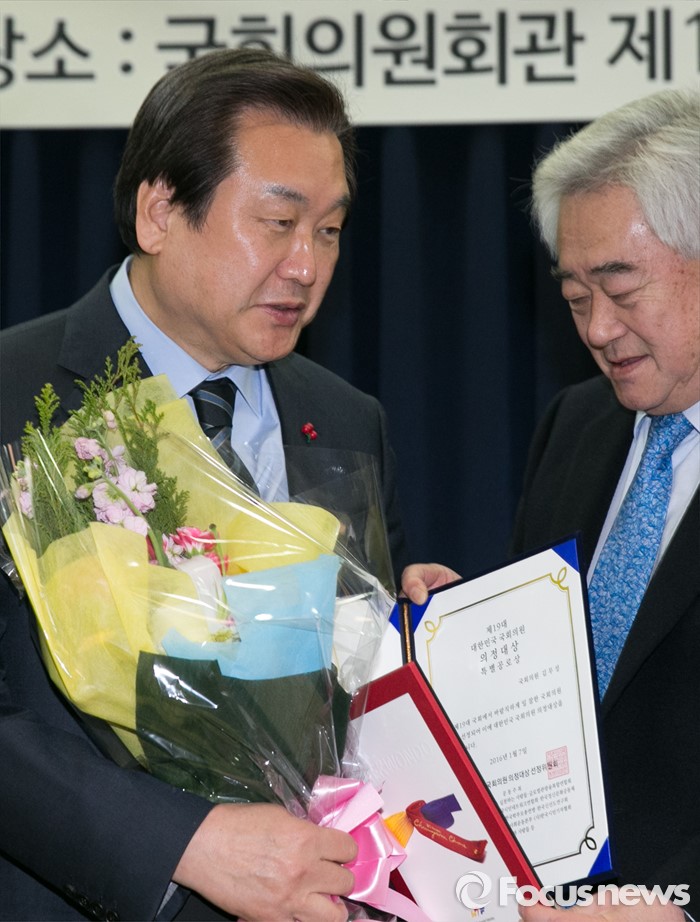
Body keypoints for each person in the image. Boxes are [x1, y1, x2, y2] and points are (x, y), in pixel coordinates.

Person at [0, 48, 409, 922]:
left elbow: (353, 709)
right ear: (159, 212)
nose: (307, 265)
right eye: (278, 221)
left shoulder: (345, 419)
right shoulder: (13, 397)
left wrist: (415, 634)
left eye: (330, 230)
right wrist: (182, 844)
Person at [403, 86, 699, 921]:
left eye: (622, 290)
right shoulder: (577, 424)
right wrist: (457, 639)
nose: (597, 329)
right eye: (575, 299)